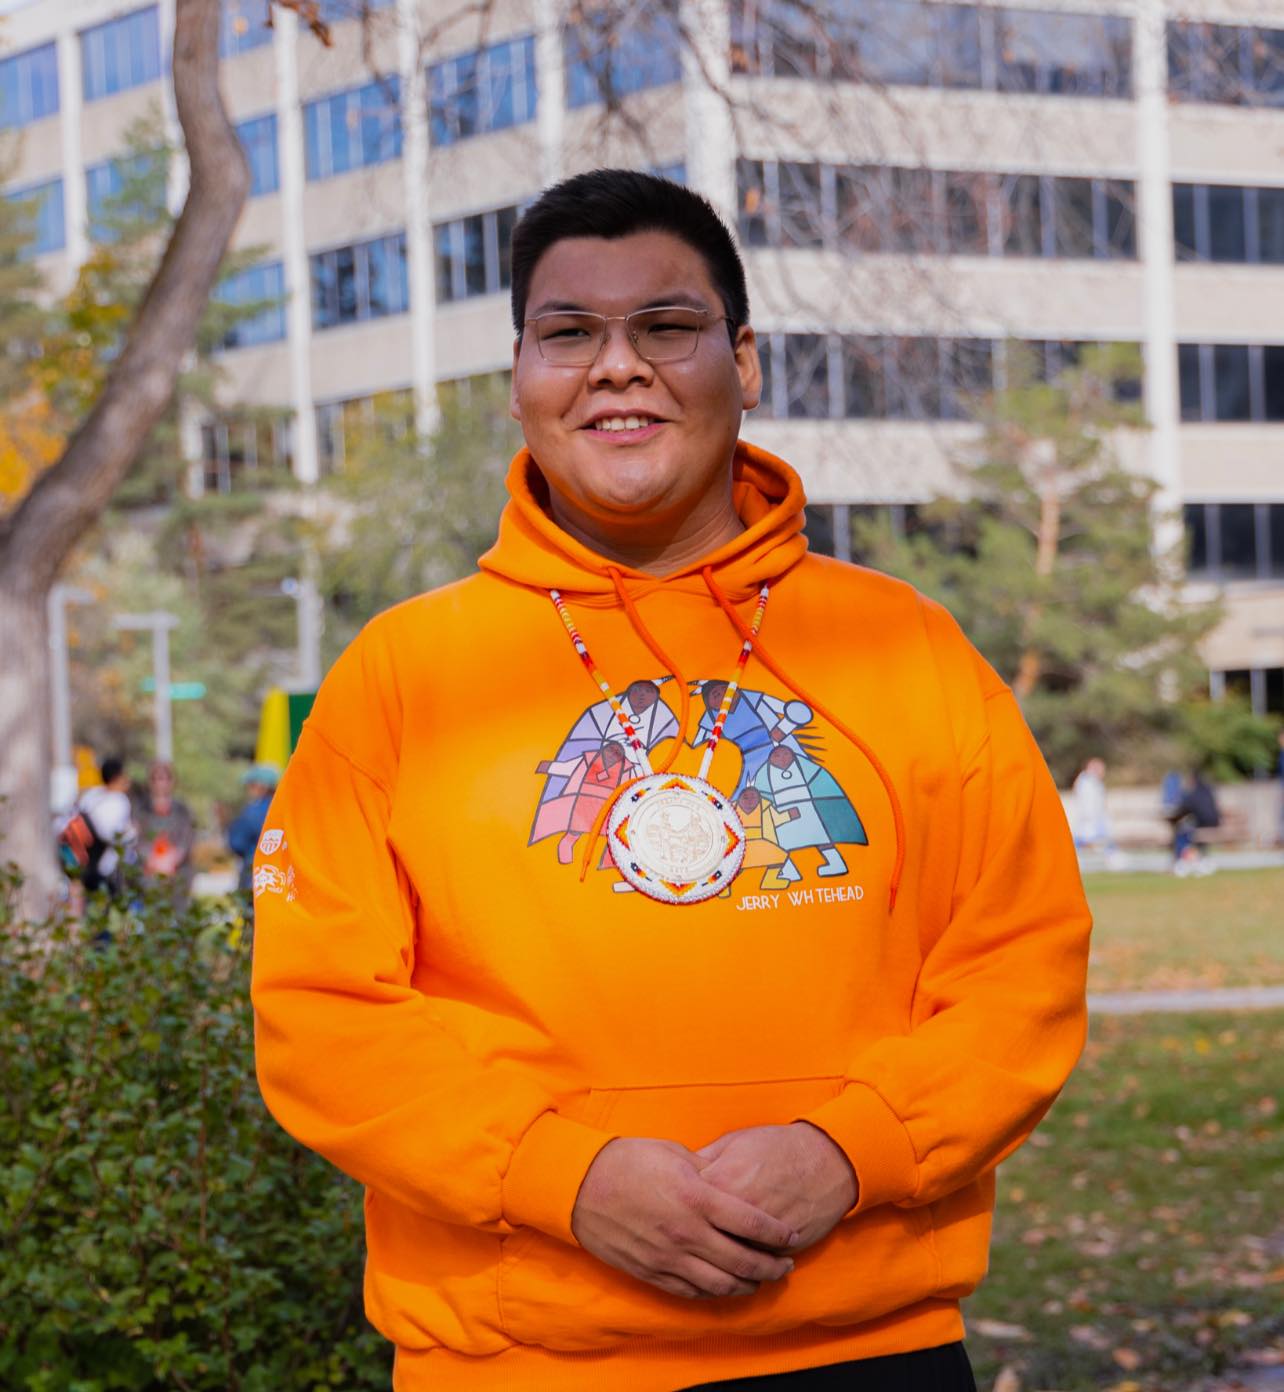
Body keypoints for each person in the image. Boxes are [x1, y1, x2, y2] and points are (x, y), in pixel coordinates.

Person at [251, 170, 1091, 1392]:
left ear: (743, 362)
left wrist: (849, 1151)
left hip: (865, 1345)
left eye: (668, 326)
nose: (617, 366)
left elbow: (1022, 965)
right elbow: (320, 1014)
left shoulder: (905, 647)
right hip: (519, 1359)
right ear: (522, 380)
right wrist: (564, 1179)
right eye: (570, 334)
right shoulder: (401, 676)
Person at [134, 759, 197, 909]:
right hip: (150, 873)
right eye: (156, 778)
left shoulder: (182, 810)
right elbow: (137, 838)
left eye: (165, 778)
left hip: (178, 873)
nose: (160, 783)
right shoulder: (141, 809)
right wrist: (152, 859)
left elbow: (188, 837)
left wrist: (173, 859)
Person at [70, 756, 136, 899]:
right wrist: (131, 834)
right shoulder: (119, 801)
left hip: (83, 862)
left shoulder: (91, 796)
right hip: (105, 867)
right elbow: (112, 834)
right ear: (117, 777)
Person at [227, 764, 278, 895]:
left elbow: (237, 843)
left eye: (251, 785)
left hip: (253, 870)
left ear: (262, 786)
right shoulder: (281, 808)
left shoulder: (252, 811)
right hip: (278, 872)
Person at [1168, 766, 1221, 877]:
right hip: (1215, 824)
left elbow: (1183, 808)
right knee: (1186, 830)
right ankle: (1193, 861)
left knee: (1182, 832)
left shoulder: (1194, 793)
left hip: (1203, 826)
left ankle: (1181, 861)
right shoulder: (1208, 790)